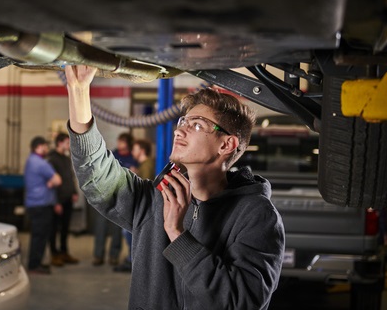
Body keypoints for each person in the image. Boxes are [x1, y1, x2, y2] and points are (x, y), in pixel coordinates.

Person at [64, 65, 285, 309]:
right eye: (183, 121)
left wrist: (177, 235)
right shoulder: (156, 199)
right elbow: (97, 172)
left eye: (197, 125)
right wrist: (79, 91)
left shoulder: (256, 215)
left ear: (227, 145)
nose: (180, 130)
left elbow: (240, 301)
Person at [91, 132, 137, 266]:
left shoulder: (132, 158)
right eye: (118, 141)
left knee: (117, 229)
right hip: (105, 197)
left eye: (122, 141)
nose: (119, 144)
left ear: (128, 143)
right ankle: (98, 256)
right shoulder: (111, 155)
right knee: (101, 227)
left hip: (122, 198)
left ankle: (114, 256)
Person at [114, 138, 156, 273]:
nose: (132, 151)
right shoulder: (143, 165)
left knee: (128, 232)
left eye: (135, 149)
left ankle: (134, 261)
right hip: (142, 207)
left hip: (142, 207)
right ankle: (132, 259)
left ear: (142, 151)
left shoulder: (147, 166)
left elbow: (144, 187)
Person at [24, 136, 61, 274]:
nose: (47, 149)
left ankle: (37, 262)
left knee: (38, 235)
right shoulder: (40, 163)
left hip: (35, 204)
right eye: (45, 146)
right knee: (40, 236)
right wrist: (51, 183)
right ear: (38, 147)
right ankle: (34, 265)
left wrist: (50, 183)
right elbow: (58, 180)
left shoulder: (30, 161)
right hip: (41, 205)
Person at [47, 132, 80, 267]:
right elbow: (52, 183)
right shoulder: (52, 159)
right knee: (54, 228)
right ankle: (54, 255)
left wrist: (74, 192)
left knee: (65, 228)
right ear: (59, 143)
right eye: (67, 142)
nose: (69, 145)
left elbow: (70, 177)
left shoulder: (66, 158)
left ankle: (64, 252)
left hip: (68, 199)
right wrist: (56, 202)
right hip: (58, 200)